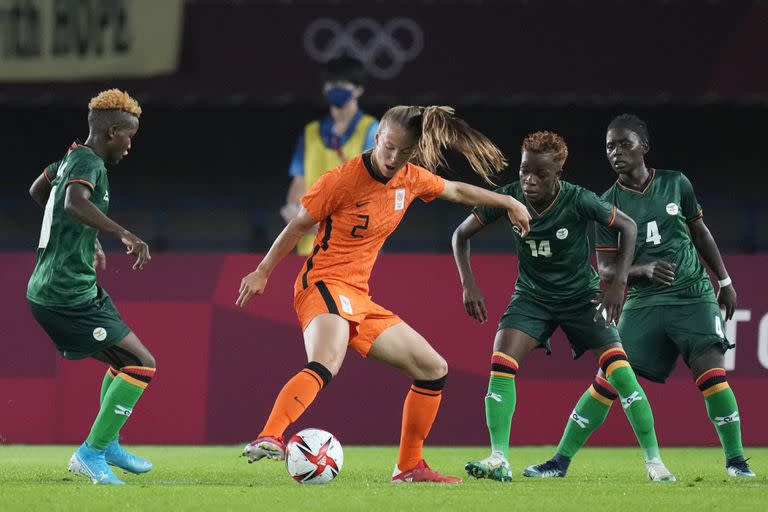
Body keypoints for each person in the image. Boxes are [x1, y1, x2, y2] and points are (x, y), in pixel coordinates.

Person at [236, 105, 532, 484]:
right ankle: (270, 435)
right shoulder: (340, 181)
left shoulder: (410, 179)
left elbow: (456, 190)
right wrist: (263, 271)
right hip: (322, 284)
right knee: (327, 361)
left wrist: (509, 201)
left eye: (404, 152)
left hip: (359, 297)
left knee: (433, 369)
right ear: (377, 138)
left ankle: (409, 467)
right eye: (388, 147)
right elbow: (297, 226)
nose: (394, 158)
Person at [526, 114, 755, 478]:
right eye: (609, 146)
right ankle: (559, 461)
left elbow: (700, 233)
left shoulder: (676, 183)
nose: (616, 152)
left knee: (712, 375)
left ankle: (737, 462)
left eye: (624, 144)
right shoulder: (606, 202)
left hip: (692, 294)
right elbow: (604, 268)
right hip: (643, 302)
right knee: (607, 379)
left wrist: (724, 281)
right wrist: (642, 271)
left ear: (643, 147)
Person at [453, 131, 675, 483]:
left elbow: (628, 227)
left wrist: (617, 282)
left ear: (558, 174)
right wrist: (469, 284)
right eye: (525, 170)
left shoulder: (579, 200)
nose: (529, 180)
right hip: (531, 298)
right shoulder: (509, 198)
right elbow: (460, 235)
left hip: (581, 298)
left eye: (540, 174)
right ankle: (498, 457)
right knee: (500, 362)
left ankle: (655, 462)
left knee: (620, 374)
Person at [26, 89, 155, 485]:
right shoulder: (90, 162)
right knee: (141, 365)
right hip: (64, 295)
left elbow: (39, 190)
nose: (130, 146)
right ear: (112, 131)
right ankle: (92, 452)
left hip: (77, 288)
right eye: (128, 136)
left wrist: (86, 236)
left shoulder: (69, 158)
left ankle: (107, 443)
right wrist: (122, 233)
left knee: (127, 361)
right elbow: (72, 203)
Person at [281, 56, 379, 255]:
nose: (336, 88)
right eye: (331, 83)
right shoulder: (310, 133)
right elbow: (294, 197)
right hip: (311, 252)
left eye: (343, 83)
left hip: (355, 250)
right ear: (324, 89)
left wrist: (309, 223)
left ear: (359, 89)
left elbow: (374, 195)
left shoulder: (373, 131)